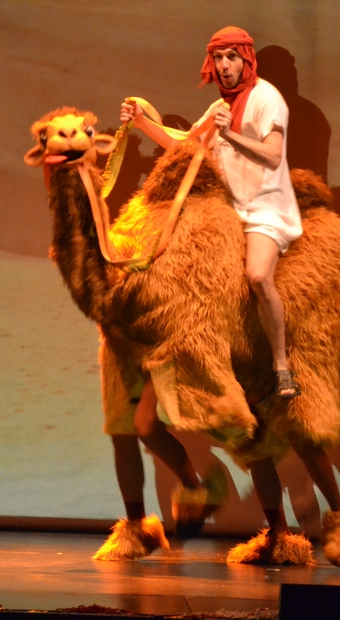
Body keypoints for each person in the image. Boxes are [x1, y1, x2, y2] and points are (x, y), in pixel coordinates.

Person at [121, 26, 302, 400]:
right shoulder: (220, 106)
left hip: (264, 208)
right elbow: (185, 144)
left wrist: (230, 135)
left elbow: (273, 155)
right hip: (226, 208)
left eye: (231, 57)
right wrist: (141, 122)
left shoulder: (268, 99)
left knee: (257, 276)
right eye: (218, 58)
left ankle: (282, 366)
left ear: (246, 59)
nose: (223, 65)